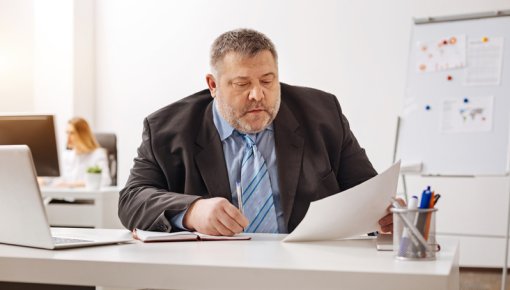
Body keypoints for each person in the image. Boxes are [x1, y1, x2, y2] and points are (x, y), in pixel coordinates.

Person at [119, 28, 393, 236]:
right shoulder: (167, 129)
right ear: (213, 85)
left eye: (267, 80)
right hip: (212, 277)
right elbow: (131, 200)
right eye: (242, 84)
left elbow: (366, 193)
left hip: (307, 273)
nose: (257, 95)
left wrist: (386, 214)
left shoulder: (322, 114)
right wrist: (191, 211)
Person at [47, 117, 112, 188]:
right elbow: (57, 179)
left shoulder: (98, 154)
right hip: (65, 197)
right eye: (67, 132)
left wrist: (72, 185)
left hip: (87, 198)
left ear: (83, 135)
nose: (68, 137)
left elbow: (105, 180)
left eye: (72, 133)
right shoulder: (67, 155)